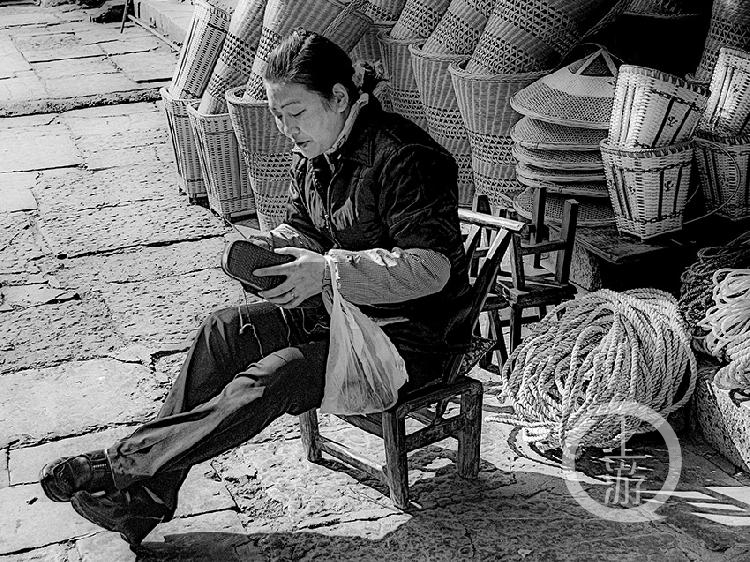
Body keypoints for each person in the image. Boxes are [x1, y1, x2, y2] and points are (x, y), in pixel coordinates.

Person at [39, 28, 471, 546]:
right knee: (223, 329)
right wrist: (273, 247)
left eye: (296, 112)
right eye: (277, 115)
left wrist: (328, 270)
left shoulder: (406, 156)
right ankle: (145, 498)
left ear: (339, 97)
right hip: (336, 315)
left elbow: (431, 268)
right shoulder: (316, 149)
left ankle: (119, 466)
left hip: (408, 340)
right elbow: (305, 228)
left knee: (278, 375)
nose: (286, 129)